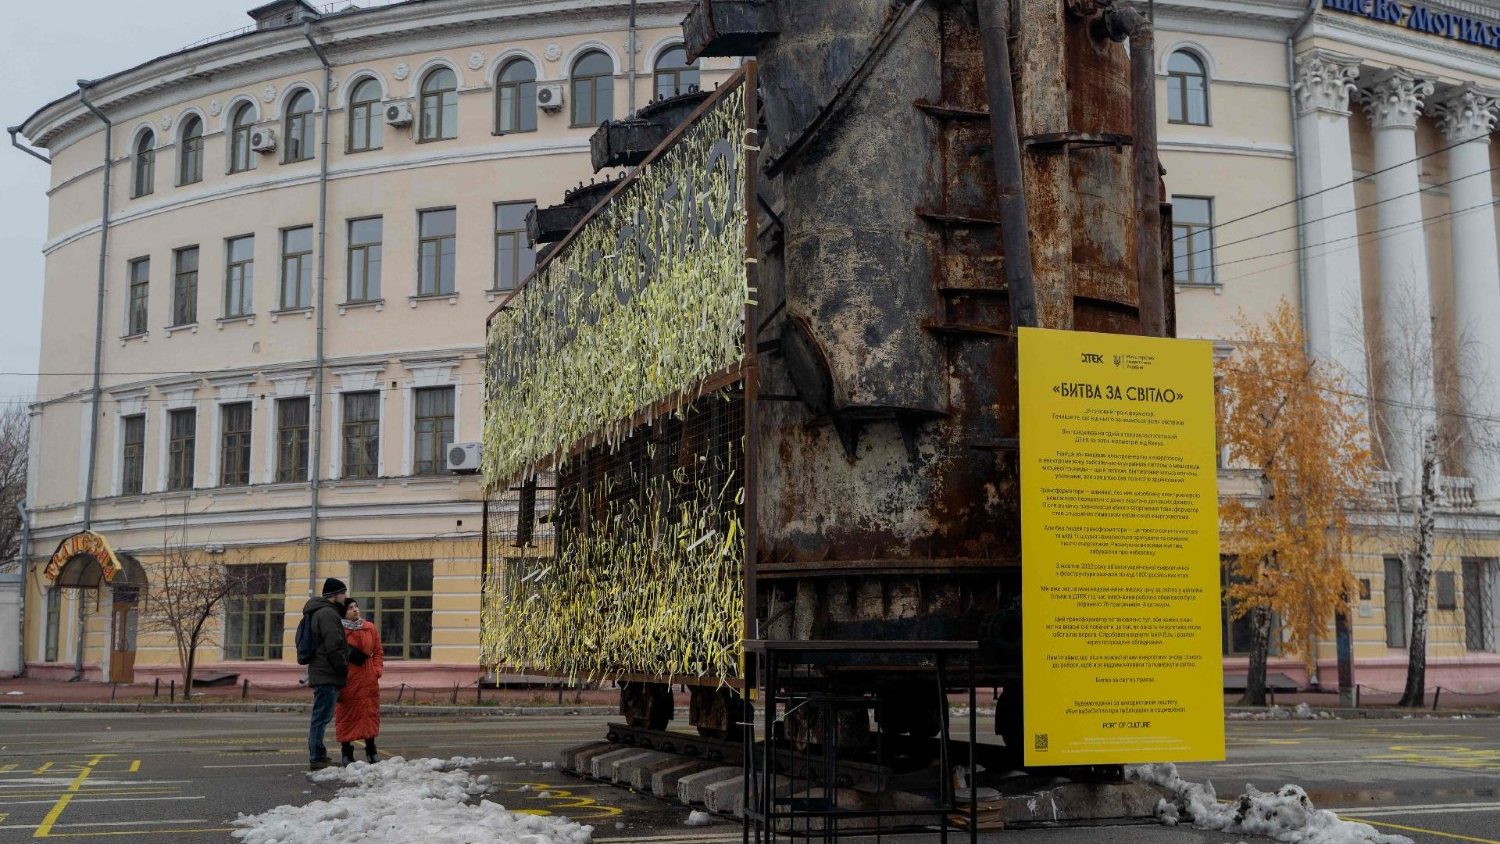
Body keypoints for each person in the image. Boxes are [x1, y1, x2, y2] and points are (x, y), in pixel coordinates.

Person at [302, 577, 350, 770]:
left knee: (320, 717)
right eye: (343, 593)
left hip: (321, 670)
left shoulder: (318, 611)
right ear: (335, 594)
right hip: (327, 672)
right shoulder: (328, 613)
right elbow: (334, 645)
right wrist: (343, 667)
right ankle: (317, 757)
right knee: (321, 717)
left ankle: (318, 754)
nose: (345, 597)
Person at [335, 598, 384, 765]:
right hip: (348, 680)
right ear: (343, 612)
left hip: (368, 680)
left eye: (356, 606)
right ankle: (346, 752)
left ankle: (371, 750)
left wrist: (377, 671)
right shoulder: (338, 631)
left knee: (369, 714)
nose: (355, 610)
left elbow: (378, 651)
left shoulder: (369, 628)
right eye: (350, 608)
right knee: (347, 715)